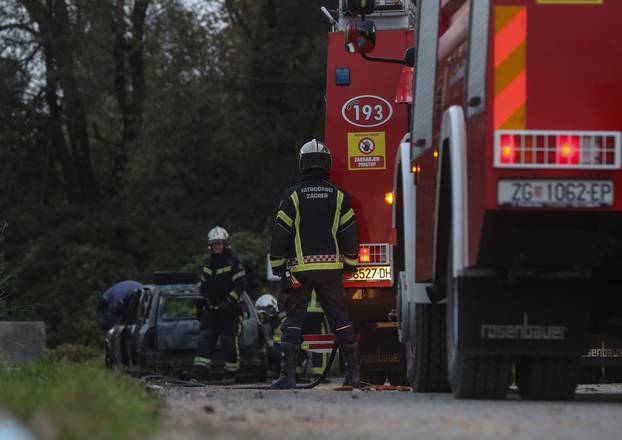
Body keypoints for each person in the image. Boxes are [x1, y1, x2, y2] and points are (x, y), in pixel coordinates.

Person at [269, 139, 360, 389]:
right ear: (326, 164)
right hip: (331, 272)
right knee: (340, 320)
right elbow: (350, 232)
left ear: (303, 164)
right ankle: (353, 376)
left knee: (293, 322)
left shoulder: (292, 196)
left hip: (300, 273)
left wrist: (278, 267)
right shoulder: (339, 196)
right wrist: (350, 263)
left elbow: (280, 234)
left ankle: (287, 377)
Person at [193, 226, 246, 384]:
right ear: (210, 245)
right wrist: (199, 305)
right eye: (214, 243)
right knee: (204, 341)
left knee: (229, 343)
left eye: (219, 243)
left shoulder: (234, 263)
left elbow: (240, 286)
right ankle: (200, 374)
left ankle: (230, 374)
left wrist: (229, 302)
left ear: (225, 244)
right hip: (211, 310)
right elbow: (203, 287)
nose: (217, 246)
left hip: (230, 311)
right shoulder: (207, 264)